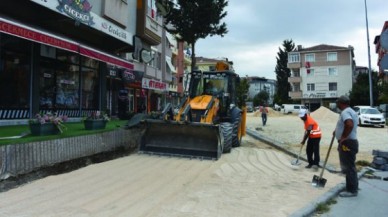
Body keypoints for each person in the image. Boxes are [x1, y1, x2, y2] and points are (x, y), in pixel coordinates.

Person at [334, 95, 359, 197]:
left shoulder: (345, 112)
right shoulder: (351, 111)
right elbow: (346, 125)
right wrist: (336, 131)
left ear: (341, 103)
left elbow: (349, 124)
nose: (337, 105)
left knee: (348, 166)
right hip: (350, 142)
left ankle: (352, 190)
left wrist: (343, 137)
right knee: (350, 165)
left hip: (347, 143)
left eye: (338, 103)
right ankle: (352, 186)